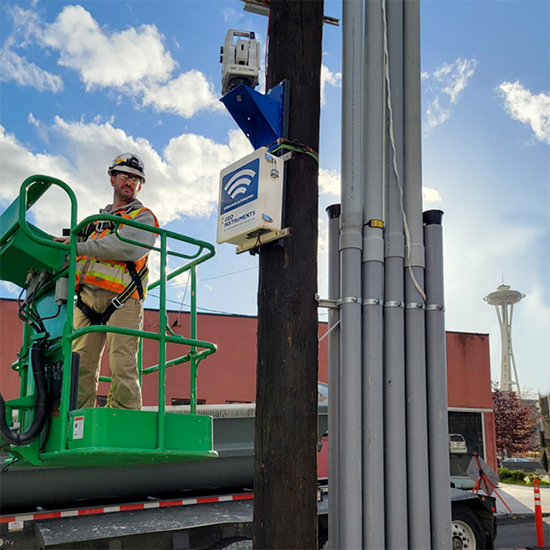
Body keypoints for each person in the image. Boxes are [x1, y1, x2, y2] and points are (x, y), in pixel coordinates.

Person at [59, 153, 158, 410]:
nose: (130, 181)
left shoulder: (144, 216)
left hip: (122, 301)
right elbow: (69, 252)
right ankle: (78, 424)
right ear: (112, 177)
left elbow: (127, 247)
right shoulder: (92, 223)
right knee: (79, 366)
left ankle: (124, 423)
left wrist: (81, 245)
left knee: (122, 365)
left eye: (137, 179)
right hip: (86, 302)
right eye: (125, 175)